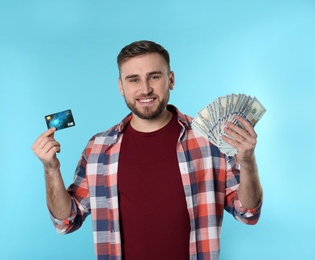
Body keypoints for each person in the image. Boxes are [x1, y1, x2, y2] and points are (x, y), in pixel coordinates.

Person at [32, 40, 263, 260]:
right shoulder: (99, 149)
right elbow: (66, 221)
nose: (145, 89)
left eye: (154, 76)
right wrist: (51, 169)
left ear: (170, 80)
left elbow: (248, 213)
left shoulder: (210, 141)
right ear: (121, 87)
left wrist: (249, 162)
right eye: (133, 80)